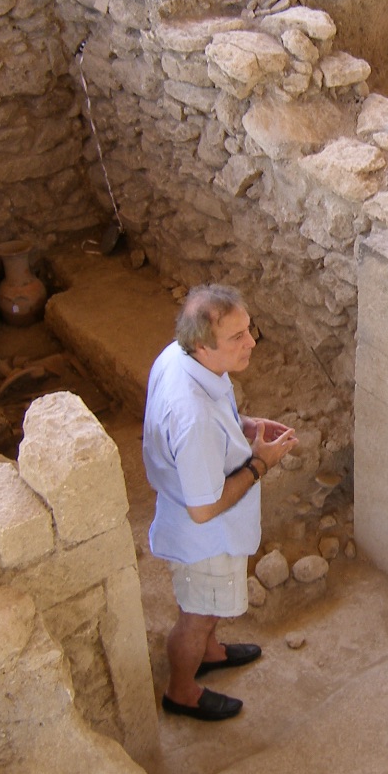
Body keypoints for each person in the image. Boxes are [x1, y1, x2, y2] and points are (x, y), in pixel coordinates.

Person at [143, 284, 299, 721]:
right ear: (202, 344)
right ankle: (182, 691)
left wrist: (246, 425)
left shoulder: (179, 357)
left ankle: (209, 652)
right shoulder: (192, 418)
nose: (251, 342)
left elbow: (217, 415)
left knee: (206, 610)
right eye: (237, 337)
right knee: (195, 617)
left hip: (204, 524)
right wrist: (260, 464)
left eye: (249, 330)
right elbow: (204, 508)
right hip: (205, 538)